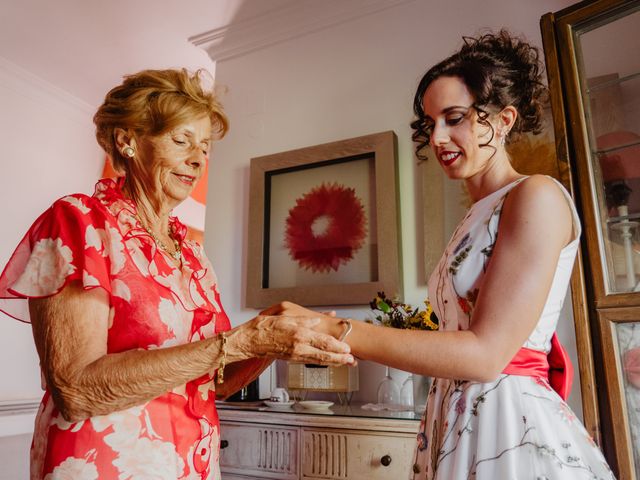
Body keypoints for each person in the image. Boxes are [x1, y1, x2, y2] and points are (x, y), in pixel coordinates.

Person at [272, 31, 615, 479]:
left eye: (454, 118)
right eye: (429, 123)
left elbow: (486, 355)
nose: (437, 137)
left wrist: (335, 328)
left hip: (508, 426)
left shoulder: (537, 196)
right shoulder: (476, 214)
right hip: (454, 416)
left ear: (505, 119)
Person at [0, 68, 354, 480]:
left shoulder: (191, 252)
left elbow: (213, 382)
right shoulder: (80, 223)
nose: (197, 159)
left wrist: (267, 334)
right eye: (181, 140)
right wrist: (237, 341)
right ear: (127, 140)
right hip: (104, 464)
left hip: (189, 463)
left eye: (204, 147)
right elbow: (75, 389)